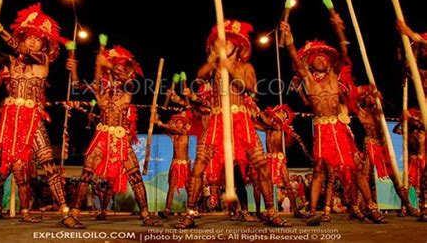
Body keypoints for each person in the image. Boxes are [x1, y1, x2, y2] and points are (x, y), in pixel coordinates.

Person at [0, 1, 81, 228]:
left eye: (37, 38)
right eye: (28, 37)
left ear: (44, 44)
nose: (31, 41)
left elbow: (15, 47)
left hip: (32, 119)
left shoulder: (41, 60)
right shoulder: (13, 61)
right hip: (9, 118)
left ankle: (65, 211)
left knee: (48, 164)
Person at [174, 19, 291, 229]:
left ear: (238, 47)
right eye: (222, 43)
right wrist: (214, 58)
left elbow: (250, 87)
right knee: (199, 165)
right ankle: (190, 213)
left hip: (242, 122)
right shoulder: (215, 68)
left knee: (262, 167)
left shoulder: (246, 67)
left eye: (228, 43)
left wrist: (230, 68)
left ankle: (272, 212)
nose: (224, 45)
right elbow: (200, 75)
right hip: (218, 120)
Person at [281, 12, 387, 225]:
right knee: (319, 170)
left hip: (339, 127)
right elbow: (293, 55)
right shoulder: (308, 80)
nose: (321, 58)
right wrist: (289, 36)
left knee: (355, 168)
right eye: (316, 57)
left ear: (329, 62)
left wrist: (339, 28)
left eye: (324, 57)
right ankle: (313, 211)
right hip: (321, 129)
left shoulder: (334, 76)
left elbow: (344, 50)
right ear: (310, 63)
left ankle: (372, 208)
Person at [66, 44, 161, 226]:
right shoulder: (100, 86)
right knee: (86, 175)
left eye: (121, 67)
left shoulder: (129, 85)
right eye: (115, 66)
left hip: (121, 138)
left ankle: (146, 216)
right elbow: (77, 86)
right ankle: (73, 214)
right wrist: (74, 70)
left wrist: (106, 64)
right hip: (102, 137)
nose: (118, 69)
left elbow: (126, 82)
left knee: (135, 177)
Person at [356, 85, 419, 217]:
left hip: (383, 146)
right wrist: (366, 94)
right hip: (371, 144)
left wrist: (404, 117)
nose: (372, 98)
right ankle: (363, 206)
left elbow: (391, 108)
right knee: (365, 175)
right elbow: (352, 101)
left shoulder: (380, 111)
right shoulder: (362, 112)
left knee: (395, 178)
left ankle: (408, 205)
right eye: (369, 97)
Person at [155, 109, 192, 219]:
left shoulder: (184, 133)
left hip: (184, 165)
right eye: (175, 122)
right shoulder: (173, 135)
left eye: (179, 122)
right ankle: (167, 210)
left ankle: (192, 210)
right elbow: (166, 129)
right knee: (171, 187)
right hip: (175, 164)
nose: (176, 123)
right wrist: (156, 121)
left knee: (188, 188)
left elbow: (172, 129)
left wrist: (161, 123)